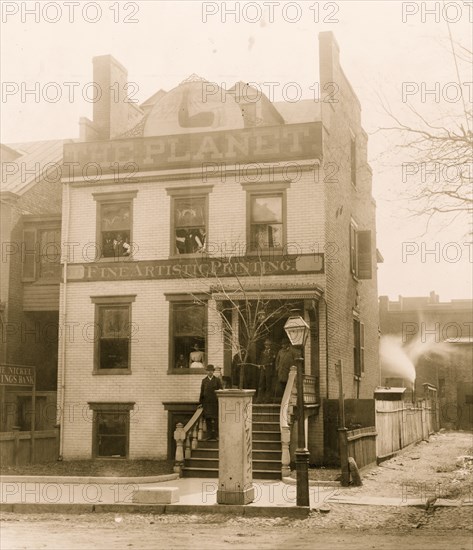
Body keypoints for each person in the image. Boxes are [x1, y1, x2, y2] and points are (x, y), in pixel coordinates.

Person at [199, 365, 223, 440]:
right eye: (208, 371)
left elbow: (221, 391)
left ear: (213, 371)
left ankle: (216, 435)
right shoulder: (204, 381)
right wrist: (200, 403)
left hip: (215, 403)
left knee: (216, 419)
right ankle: (209, 435)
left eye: (211, 371)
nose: (210, 372)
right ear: (207, 371)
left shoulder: (217, 380)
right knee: (208, 419)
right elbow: (202, 392)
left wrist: (220, 401)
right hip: (207, 403)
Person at [256, 338, 276, 403]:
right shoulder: (262, 352)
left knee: (268, 385)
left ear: (270, 345)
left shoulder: (273, 353)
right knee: (261, 384)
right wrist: (259, 365)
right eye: (266, 345)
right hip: (262, 370)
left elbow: (272, 362)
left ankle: (267, 399)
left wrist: (267, 365)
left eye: (268, 345)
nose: (267, 346)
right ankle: (259, 399)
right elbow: (260, 360)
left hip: (269, 370)